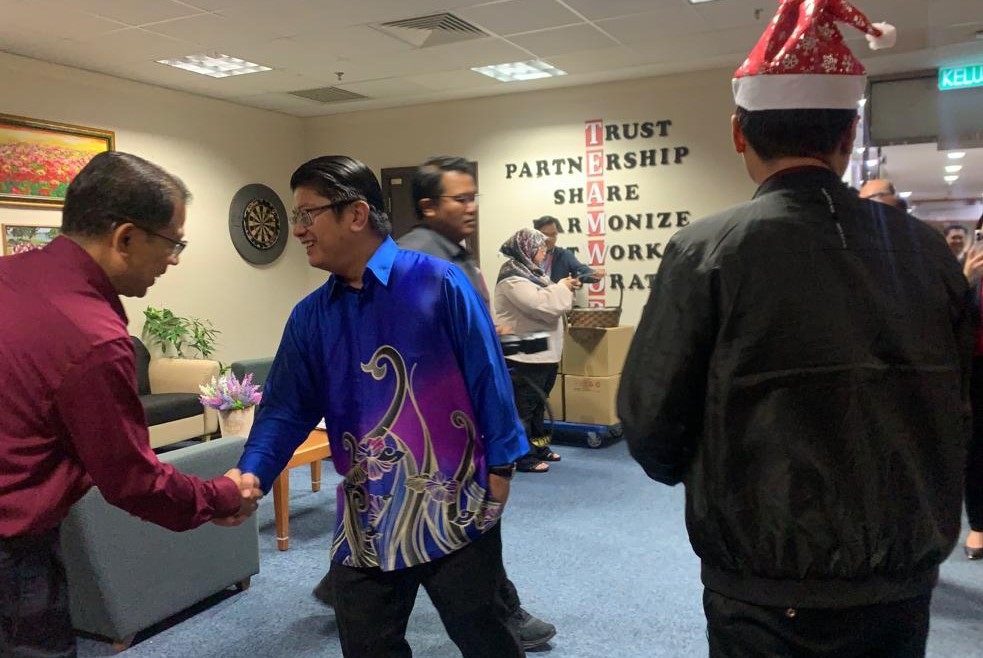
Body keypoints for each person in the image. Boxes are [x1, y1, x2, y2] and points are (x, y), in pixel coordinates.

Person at [618, 4, 972, 657]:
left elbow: (650, 423)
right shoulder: (926, 252)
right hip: (899, 575)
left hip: (761, 577)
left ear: (737, 133)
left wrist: (715, 476)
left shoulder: (706, 250)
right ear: (849, 134)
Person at [235, 155, 528, 658]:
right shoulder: (310, 317)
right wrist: (252, 472)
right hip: (365, 514)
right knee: (367, 646)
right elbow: (285, 409)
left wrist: (501, 468)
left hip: (453, 502)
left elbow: (488, 375)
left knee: (484, 637)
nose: (299, 230)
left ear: (356, 214)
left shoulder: (438, 282)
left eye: (308, 214)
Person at [0, 151, 259, 658]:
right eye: (173, 242)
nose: (174, 259)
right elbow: (132, 480)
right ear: (125, 238)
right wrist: (221, 495)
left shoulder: (10, 276)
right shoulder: (92, 337)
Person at [392, 156, 558, 649]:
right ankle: (503, 613)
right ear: (428, 205)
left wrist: (488, 333)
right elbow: (410, 340)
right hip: (438, 420)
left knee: (465, 519)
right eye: (460, 199)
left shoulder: (454, 254)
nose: (471, 207)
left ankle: (345, 583)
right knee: (473, 521)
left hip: (462, 413)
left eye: (473, 198)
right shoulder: (416, 258)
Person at [495, 228, 576, 473]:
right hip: (524, 353)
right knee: (525, 407)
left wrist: (561, 289)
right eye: (540, 249)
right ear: (526, 249)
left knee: (539, 404)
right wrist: (562, 287)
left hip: (541, 352)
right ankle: (524, 457)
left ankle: (539, 447)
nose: (544, 254)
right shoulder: (512, 278)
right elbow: (543, 306)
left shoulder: (533, 274)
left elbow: (555, 302)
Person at [962, 211, 983, 560]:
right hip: (977, 368)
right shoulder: (967, 274)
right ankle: (978, 525)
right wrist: (965, 280)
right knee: (978, 448)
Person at [532, 215, 605, 284]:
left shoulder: (564, 255)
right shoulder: (527, 254)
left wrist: (594, 274)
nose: (550, 239)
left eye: (553, 234)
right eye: (545, 235)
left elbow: (581, 270)